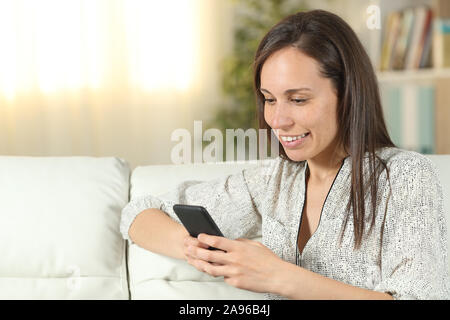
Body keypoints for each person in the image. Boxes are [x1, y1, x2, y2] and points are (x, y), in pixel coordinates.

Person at [120, 10, 450, 300]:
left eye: (298, 99)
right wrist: (196, 248)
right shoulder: (276, 179)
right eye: (269, 99)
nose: (277, 120)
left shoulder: (404, 176)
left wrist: (280, 277)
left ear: (347, 94)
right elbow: (138, 214)